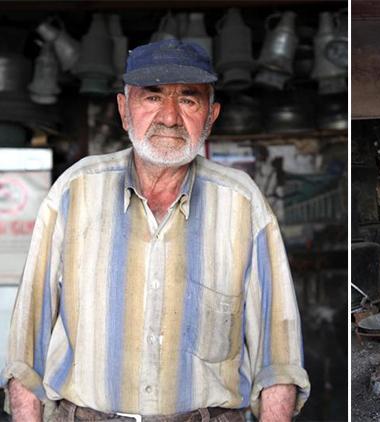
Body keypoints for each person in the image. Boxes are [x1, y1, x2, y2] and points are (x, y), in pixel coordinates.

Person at [2, 39, 309, 421]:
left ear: (211, 116)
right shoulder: (74, 191)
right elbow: (25, 354)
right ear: (124, 110)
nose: (169, 117)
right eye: (152, 97)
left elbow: (277, 358)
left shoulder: (242, 203)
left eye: (188, 100)